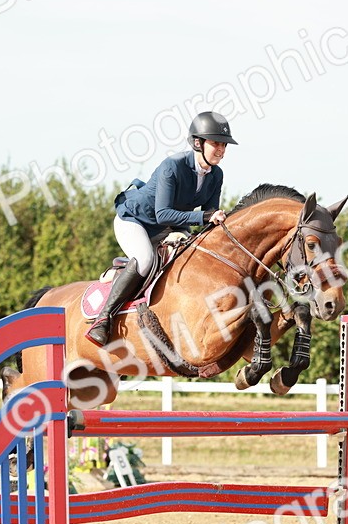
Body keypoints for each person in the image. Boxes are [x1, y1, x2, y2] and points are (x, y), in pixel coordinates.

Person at [85, 111, 238, 347]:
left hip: (169, 227)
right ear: (198, 143)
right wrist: (206, 216)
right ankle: (103, 319)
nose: (221, 150)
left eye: (224, 145)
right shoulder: (172, 167)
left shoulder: (216, 174)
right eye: (216, 143)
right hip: (136, 221)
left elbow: (207, 218)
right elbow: (163, 213)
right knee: (145, 260)